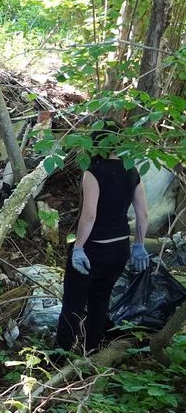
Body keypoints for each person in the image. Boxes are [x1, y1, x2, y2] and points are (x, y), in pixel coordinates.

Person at [56, 128, 149, 353]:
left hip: (93, 250)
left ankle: (60, 356)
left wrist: (78, 247)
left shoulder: (94, 172)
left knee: (73, 304)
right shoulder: (132, 171)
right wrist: (139, 245)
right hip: (119, 250)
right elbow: (143, 214)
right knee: (100, 301)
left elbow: (89, 215)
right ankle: (93, 352)